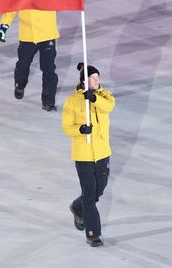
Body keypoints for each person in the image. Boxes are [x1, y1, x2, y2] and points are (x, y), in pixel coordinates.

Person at [63, 63, 115, 248]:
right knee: (89, 193)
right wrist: (81, 129)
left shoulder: (103, 96)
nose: (96, 80)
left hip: (102, 153)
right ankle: (93, 233)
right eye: (93, 78)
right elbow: (66, 128)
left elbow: (109, 107)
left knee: (98, 190)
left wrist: (93, 98)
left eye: (97, 77)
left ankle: (77, 208)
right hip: (83, 155)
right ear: (84, 80)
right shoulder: (72, 101)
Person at [0, 10, 59, 111]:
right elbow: (13, 4)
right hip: (28, 34)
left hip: (47, 33)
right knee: (23, 64)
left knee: (48, 68)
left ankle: (48, 101)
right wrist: (4, 25)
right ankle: (20, 84)